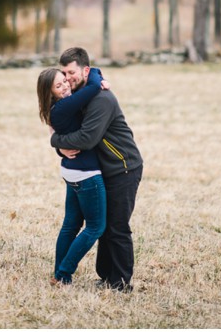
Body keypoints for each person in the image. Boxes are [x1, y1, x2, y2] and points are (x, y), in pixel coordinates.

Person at [49, 47, 143, 292]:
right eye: (64, 73)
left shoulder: (101, 98)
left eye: (71, 72)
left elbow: (87, 139)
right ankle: (106, 276)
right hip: (103, 169)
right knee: (103, 225)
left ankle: (121, 283)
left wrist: (56, 141)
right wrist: (59, 146)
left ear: (85, 71)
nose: (67, 78)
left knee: (117, 227)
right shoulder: (83, 91)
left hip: (123, 166)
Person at [38, 66, 108, 286]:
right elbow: (94, 85)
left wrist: (58, 147)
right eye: (58, 86)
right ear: (50, 93)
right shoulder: (65, 106)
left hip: (71, 171)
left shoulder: (55, 108)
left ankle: (60, 273)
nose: (66, 86)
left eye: (65, 81)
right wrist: (97, 73)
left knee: (70, 225)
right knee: (96, 227)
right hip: (86, 174)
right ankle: (63, 273)